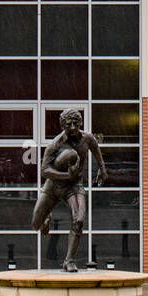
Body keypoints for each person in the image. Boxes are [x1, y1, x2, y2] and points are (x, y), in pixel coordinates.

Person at [31, 108, 107, 272]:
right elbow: (44, 171)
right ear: (62, 125)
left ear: (80, 123)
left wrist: (102, 169)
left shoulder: (87, 138)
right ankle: (46, 216)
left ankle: (69, 260)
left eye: (75, 123)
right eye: (68, 124)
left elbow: (96, 150)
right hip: (54, 184)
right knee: (35, 224)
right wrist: (66, 175)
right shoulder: (55, 144)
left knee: (79, 219)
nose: (72, 127)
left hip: (75, 186)